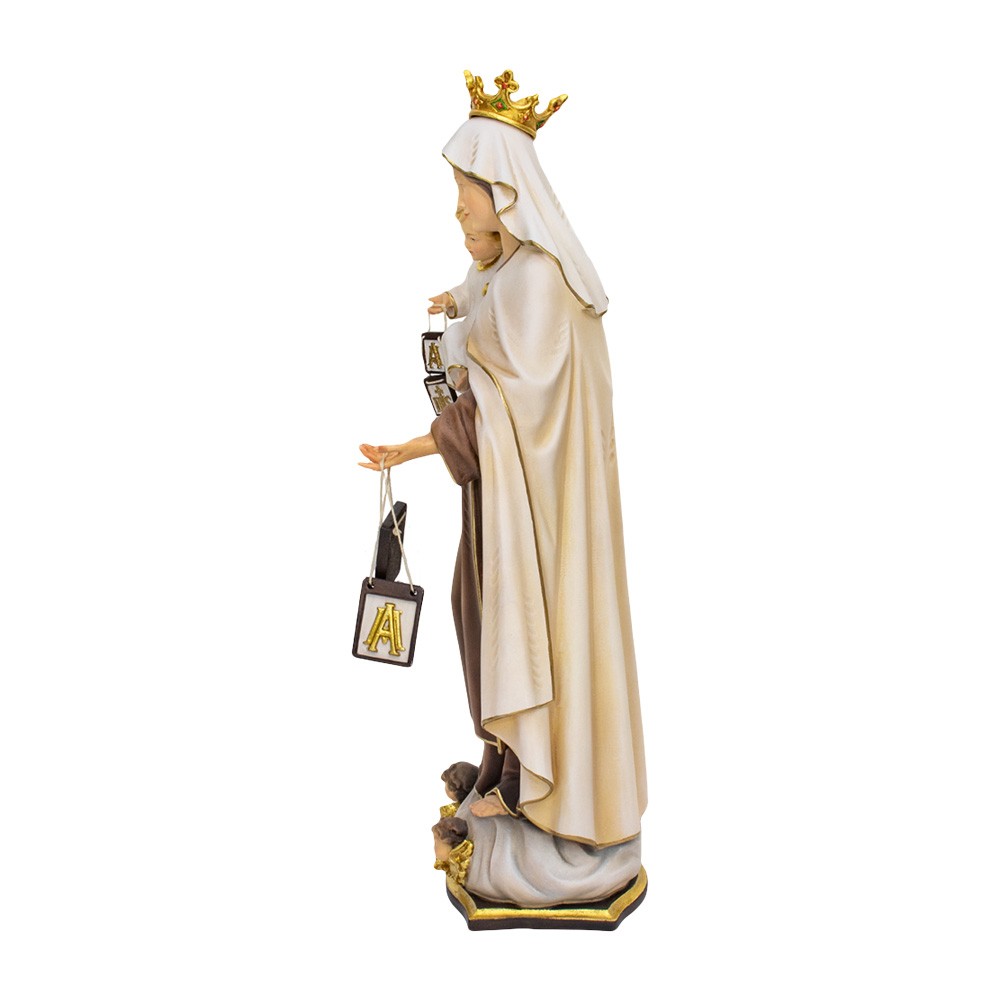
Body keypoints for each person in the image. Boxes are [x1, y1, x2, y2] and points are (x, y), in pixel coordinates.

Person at [359, 71, 646, 853]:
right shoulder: (509, 271)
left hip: (544, 522)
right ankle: (501, 764)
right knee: (483, 615)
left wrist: (413, 446)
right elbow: (488, 349)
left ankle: (529, 788)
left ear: (506, 191)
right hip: (506, 503)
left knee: (528, 630)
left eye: (467, 188)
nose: (458, 207)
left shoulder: (539, 279)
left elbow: (509, 410)